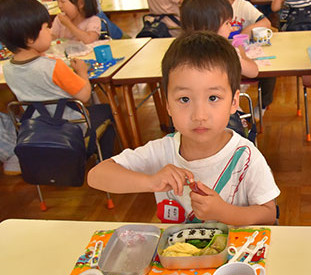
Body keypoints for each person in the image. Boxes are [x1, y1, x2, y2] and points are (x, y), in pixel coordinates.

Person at [88, 31, 280, 225]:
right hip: (179, 253)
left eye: (213, 98)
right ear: (168, 105)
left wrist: (223, 212)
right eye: (184, 99)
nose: (199, 115)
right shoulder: (162, 151)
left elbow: (268, 214)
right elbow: (96, 176)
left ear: (234, 102)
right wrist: (151, 181)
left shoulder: (246, 157)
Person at [0, 0, 115, 165]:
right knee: (106, 110)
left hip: (36, 128)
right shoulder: (53, 66)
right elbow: (84, 96)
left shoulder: (9, 69)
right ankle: (99, 161)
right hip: (70, 127)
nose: (49, 31)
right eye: (46, 27)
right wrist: (82, 72)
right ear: (29, 39)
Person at [180, 0, 258, 79]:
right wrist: (241, 52)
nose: (231, 28)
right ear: (209, 27)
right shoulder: (225, 52)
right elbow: (253, 72)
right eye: (227, 23)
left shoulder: (180, 51)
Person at [228, 0, 275, 117]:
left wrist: (245, 32)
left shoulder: (242, 5)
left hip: (243, 53)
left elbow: (266, 22)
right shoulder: (209, 7)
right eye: (226, 24)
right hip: (232, 60)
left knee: (270, 71)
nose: (229, 27)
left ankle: (263, 103)